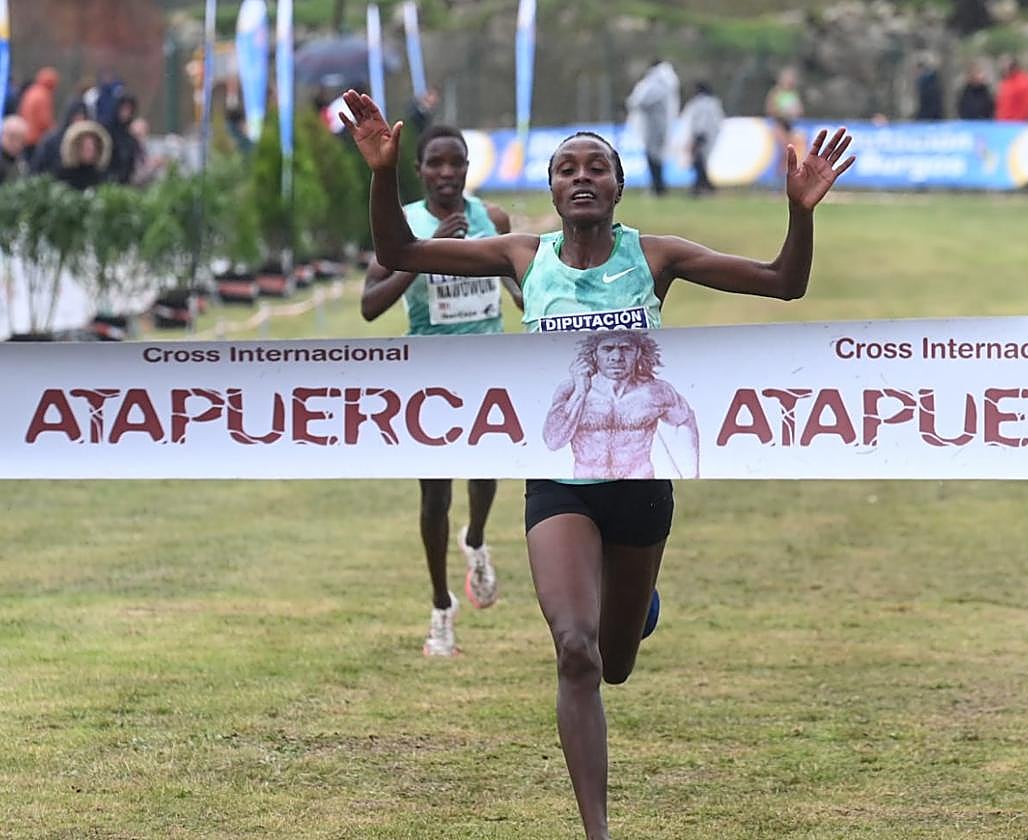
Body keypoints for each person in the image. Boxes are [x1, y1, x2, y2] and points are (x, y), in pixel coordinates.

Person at [340, 88, 855, 840]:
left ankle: (635, 605)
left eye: (597, 168)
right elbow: (399, 255)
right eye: (566, 168)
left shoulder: (656, 257)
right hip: (559, 483)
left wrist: (801, 213)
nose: (581, 177)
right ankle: (598, 831)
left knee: (615, 661)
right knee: (575, 654)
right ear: (552, 189)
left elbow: (785, 282)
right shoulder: (524, 255)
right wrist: (385, 173)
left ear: (617, 186)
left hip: (640, 486)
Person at [360, 124, 522, 657]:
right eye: (436, 163)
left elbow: (519, 287)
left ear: (468, 169)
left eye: (457, 163)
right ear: (420, 170)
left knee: (485, 473)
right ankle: (440, 608)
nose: (447, 173)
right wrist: (422, 252)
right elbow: (370, 304)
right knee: (434, 494)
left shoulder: (491, 219)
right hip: (429, 370)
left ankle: (475, 540)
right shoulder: (403, 222)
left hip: (490, 362)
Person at [545, 332, 699, 479]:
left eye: (626, 349)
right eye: (607, 349)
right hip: (586, 483)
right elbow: (553, 442)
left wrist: (692, 472)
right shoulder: (571, 389)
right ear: (594, 354)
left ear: (638, 353)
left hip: (640, 483)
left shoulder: (656, 391)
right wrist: (580, 392)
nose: (617, 357)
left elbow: (685, 419)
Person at [625, 58, 680, 196]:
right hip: (658, 126)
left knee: (654, 157)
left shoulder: (658, 84)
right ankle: (658, 187)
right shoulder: (666, 82)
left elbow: (642, 100)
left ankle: (658, 188)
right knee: (655, 157)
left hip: (655, 127)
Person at [678, 81, 724, 196]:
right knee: (700, 162)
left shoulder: (702, 104)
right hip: (707, 136)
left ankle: (700, 187)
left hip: (702, 136)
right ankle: (706, 186)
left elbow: (701, 122)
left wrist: (698, 137)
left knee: (699, 162)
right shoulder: (713, 103)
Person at [764, 67, 804, 178]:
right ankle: (779, 179)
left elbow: (800, 109)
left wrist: (795, 112)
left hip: (790, 125)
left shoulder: (793, 93)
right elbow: (770, 110)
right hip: (779, 124)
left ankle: (787, 178)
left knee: (790, 154)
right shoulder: (776, 92)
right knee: (784, 151)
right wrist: (784, 112)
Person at [57, 119, 112, 190]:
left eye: (93, 147)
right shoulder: (64, 175)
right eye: (85, 147)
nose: (90, 151)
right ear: (76, 148)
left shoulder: (101, 177)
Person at [995, 56, 1028, 121]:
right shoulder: (1005, 82)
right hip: (1002, 124)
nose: (1003, 69)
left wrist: (1018, 122)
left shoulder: (1023, 81)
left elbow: (1026, 107)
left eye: (1005, 67)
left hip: (1016, 125)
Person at [0, 115, 29, 185]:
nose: (16, 144)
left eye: (21, 139)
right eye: (12, 138)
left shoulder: (22, 160)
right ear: (3, 135)